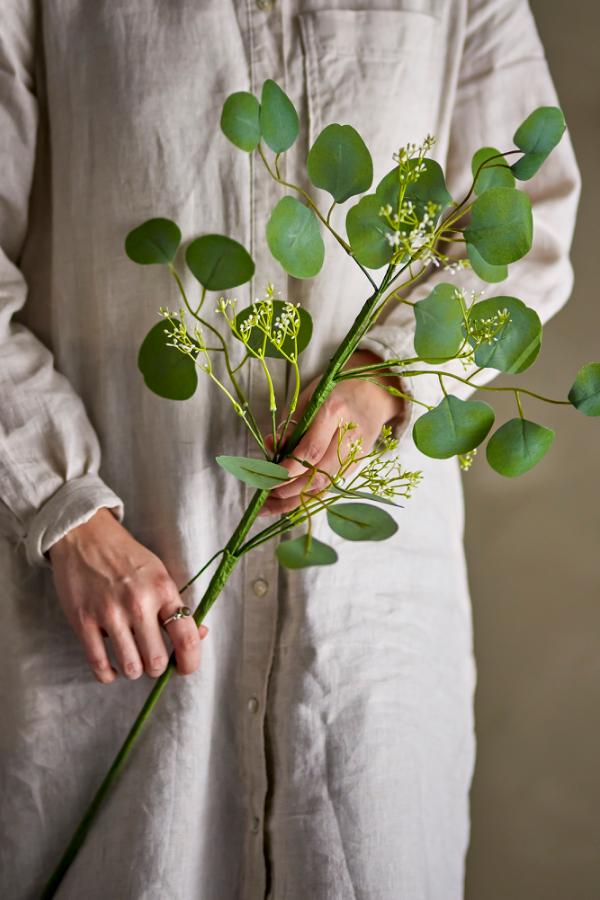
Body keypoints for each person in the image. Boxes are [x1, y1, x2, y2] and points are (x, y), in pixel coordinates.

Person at [0, 1, 580, 898]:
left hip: (368, 643)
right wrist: (63, 503)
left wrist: (386, 380)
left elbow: (525, 223)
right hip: (108, 619)